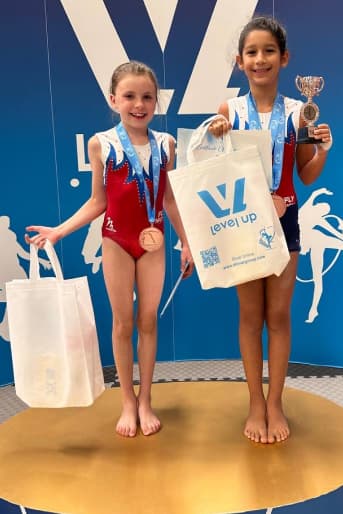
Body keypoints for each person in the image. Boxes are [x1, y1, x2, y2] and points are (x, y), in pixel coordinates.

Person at [25, 61, 193, 437]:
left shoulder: (167, 145)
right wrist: (59, 231)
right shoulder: (102, 143)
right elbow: (97, 202)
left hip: (154, 241)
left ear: (156, 102)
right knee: (123, 322)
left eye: (147, 96)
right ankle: (127, 401)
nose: (139, 104)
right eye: (130, 96)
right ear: (113, 99)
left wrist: (186, 243)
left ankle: (147, 398)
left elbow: (169, 200)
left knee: (148, 321)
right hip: (116, 239)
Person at [209, 16, 332, 443]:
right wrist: (216, 136)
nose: (260, 59)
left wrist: (322, 150)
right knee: (250, 315)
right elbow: (214, 173)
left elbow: (306, 174)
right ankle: (254, 402)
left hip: (286, 220)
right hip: (243, 222)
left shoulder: (299, 111)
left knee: (277, 316)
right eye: (251, 52)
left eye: (268, 51)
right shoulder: (230, 110)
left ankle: (276, 401)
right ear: (239, 61)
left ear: (284, 58)